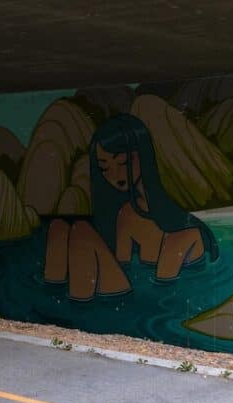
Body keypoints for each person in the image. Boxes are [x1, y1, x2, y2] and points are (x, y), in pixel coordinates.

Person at [44, 114, 218, 301]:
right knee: (58, 228)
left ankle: (71, 312)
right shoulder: (127, 213)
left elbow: (165, 294)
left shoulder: (185, 234)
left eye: (123, 162)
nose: (114, 174)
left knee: (81, 230)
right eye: (104, 167)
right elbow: (122, 266)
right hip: (129, 296)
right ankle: (51, 308)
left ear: (143, 156)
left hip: (141, 303)